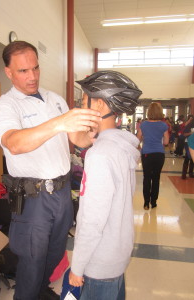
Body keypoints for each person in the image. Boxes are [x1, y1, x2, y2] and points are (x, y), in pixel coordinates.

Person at [0, 41, 101, 300]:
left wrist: (94, 133)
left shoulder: (55, 99)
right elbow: (14, 144)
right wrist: (59, 123)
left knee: (54, 254)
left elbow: (78, 139)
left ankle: (40, 292)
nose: (32, 76)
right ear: (8, 72)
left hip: (61, 193)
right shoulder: (5, 106)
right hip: (33, 199)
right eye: (23, 71)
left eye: (36, 68)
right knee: (31, 262)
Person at [68, 70, 142, 300]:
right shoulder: (121, 147)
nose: (80, 107)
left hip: (99, 262)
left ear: (99, 104)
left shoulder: (100, 155)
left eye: (83, 101)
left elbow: (92, 219)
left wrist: (77, 266)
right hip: (117, 254)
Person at [137, 102, 169, 210]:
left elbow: (138, 139)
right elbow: (166, 142)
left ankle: (146, 203)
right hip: (159, 154)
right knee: (156, 178)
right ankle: (153, 202)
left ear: (149, 111)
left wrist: (140, 147)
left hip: (147, 154)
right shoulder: (164, 125)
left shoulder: (143, 124)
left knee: (147, 178)